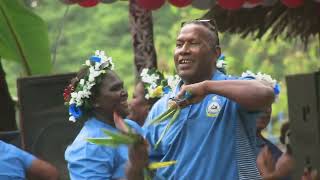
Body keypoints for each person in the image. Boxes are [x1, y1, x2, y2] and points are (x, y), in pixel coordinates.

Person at [127, 19, 275, 179]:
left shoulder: (231, 93)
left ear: (216, 53)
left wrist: (206, 87)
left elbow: (266, 94)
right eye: (179, 44)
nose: (184, 50)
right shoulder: (161, 107)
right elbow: (146, 167)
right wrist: (135, 163)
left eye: (193, 43)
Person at [64, 50, 142, 180]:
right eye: (115, 89)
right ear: (95, 101)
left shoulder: (131, 126)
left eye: (122, 87)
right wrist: (135, 168)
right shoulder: (87, 147)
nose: (124, 93)